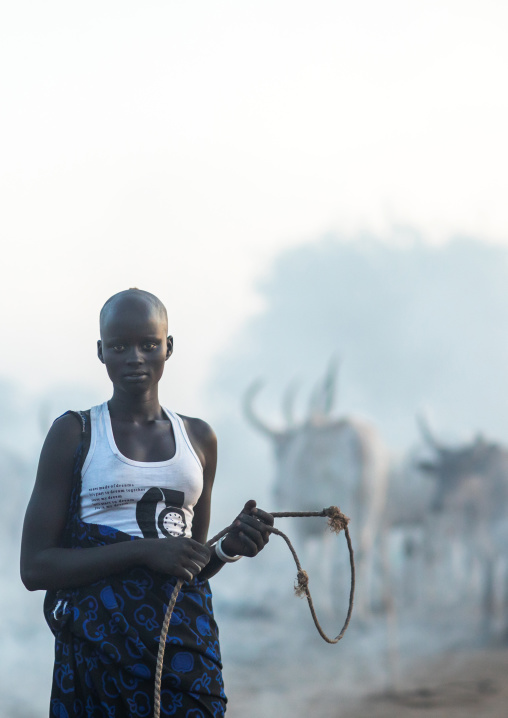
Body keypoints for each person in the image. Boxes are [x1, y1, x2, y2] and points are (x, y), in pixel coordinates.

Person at [20, 288, 274, 718]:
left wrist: (230, 546)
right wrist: (144, 551)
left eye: (148, 344)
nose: (135, 357)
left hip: (185, 645)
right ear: (101, 353)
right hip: (98, 649)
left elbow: (191, 565)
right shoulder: (75, 433)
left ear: (168, 347)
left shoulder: (199, 439)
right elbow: (35, 568)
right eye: (119, 346)